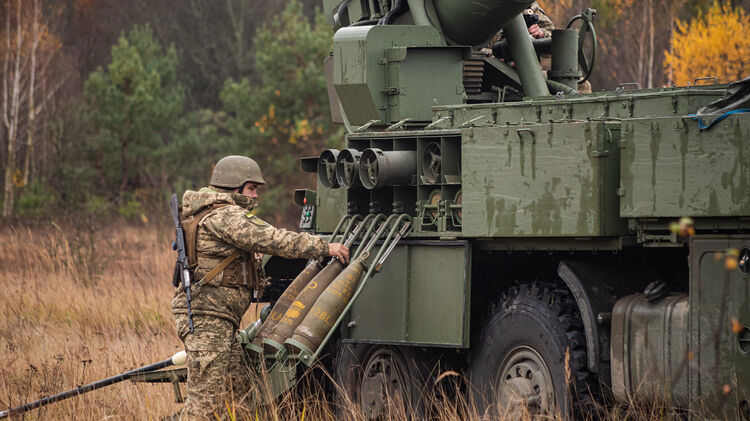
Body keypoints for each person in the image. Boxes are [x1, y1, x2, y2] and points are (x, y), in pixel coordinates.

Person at [170, 155, 349, 420]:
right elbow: (272, 239)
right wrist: (324, 247)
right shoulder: (225, 215)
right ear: (235, 187)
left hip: (218, 320)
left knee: (242, 399)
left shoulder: (209, 211)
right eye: (252, 189)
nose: (255, 196)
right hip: (208, 321)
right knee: (204, 406)